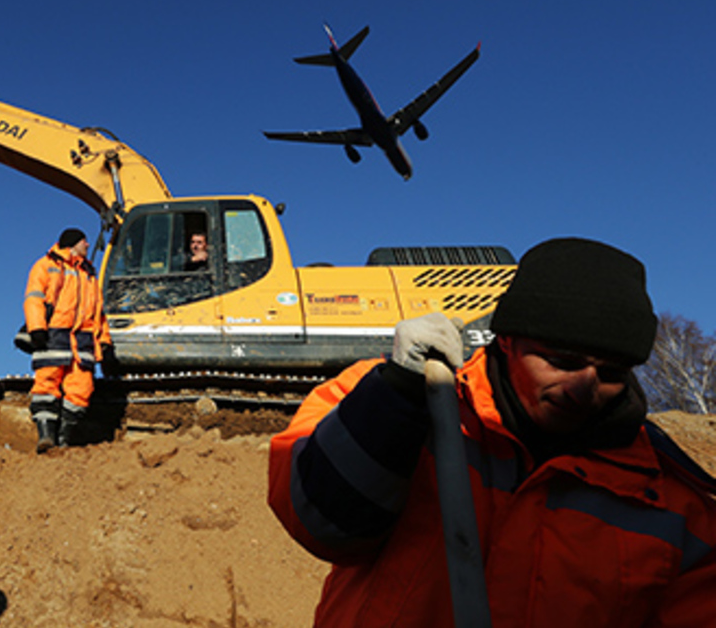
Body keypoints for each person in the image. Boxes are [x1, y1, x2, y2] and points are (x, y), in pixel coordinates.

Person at [268, 237, 716, 628]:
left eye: (612, 372)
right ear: (507, 340)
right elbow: (321, 524)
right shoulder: (396, 398)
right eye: (561, 361)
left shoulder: (672, 500)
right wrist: (394, 399)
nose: (584, 388)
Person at [24, 228, 111, 452]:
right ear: (73, 243)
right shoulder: (45, 265)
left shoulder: (89, 274)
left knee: (81, 390)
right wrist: (37, 328)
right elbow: (34, 298)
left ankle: (63, 439)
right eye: (85, 241)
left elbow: (98, 313)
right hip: (53, 334)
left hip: (82, 340)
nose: (88, 245)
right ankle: (46, 436)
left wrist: (104, 343)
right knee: (46, 383)